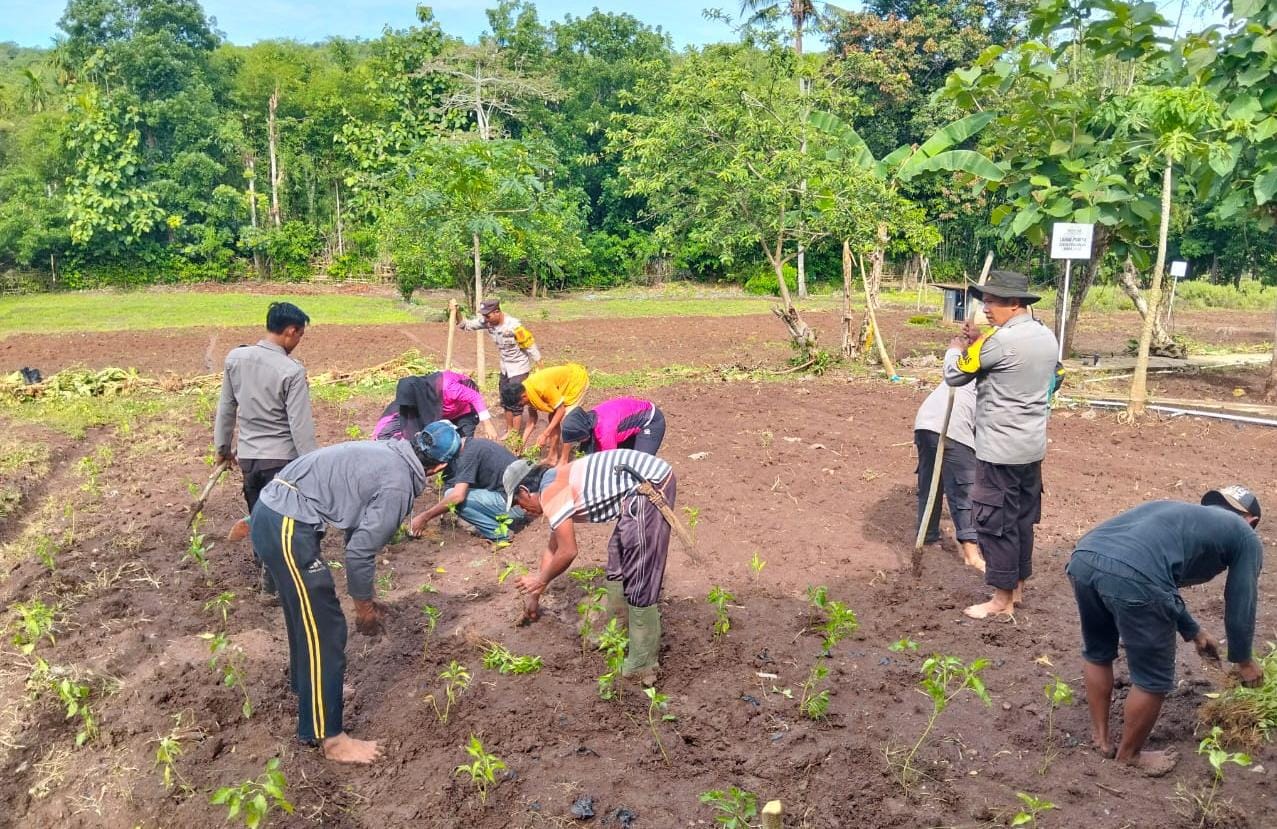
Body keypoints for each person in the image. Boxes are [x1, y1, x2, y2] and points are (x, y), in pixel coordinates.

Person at [250, 436, 429, 764]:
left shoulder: (387, 451)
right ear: (440, 467)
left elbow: (356, 527)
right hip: (286, 523)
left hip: (273, 511)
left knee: (305, 615)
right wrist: (364, 608)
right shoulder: (399, 483)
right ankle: (331, 739)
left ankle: (311, 690)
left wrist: (366, 596)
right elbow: (360, 551)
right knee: (327, 628)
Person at [1066, 487, 1265, 776]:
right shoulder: (1245, 535)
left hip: (1085, 557)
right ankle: (1129, 755)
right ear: (1252, 520)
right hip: (1134, 572)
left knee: (1098, 652)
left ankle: (1101, 738)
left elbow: (1160, 581)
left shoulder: (1182, 514)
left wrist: (1193, 631)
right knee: (1154, 678)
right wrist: (1244, 660)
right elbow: (1241, 600)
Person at [504, 448, 676, 684]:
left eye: (518, 502)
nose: (522, 509)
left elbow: (568, 551)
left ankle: (642, 665)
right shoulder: (553, 482)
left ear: (525, 490)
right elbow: (553, 548)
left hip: (650, 485)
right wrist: (535, 595)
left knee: (639, 572)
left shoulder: (551, 491)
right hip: (636, 488)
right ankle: (618, 631)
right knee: (618, 558)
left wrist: (540, 579)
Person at [943, 271, 1058, 620]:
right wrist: (981, 341)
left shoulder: (1000, 342)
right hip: (1030, 447)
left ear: (1014, 303)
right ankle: (1017, 587)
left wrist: (957, 348)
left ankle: (1001, 600)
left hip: (999, 450)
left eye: (992, 302)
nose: (986, 308)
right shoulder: (1045, 336)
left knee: (996, 522)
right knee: (1022, 520)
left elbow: (955, 374)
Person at [214, 301, 319, 564]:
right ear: (291, 331)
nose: (299, 342)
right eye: (300, 335)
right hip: (281, 462)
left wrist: (222, 450)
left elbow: (226, 408)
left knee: (259, 516)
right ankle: (280, 574)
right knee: (284, 523)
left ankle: (264, 566)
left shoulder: (235, 359)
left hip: (249, 459)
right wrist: (312, 467)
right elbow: (300, 426)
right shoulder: (292, 371)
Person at [406, 420, 528, 543]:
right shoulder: (470, 446)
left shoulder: (468, 455)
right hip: (516, 501)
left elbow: (457, 496)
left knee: (452, 496)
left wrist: (425, 517)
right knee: (452, 492)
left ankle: (501, 535)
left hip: (517, 508)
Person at [913, 380, 982, 571]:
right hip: (954, 423)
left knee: (932, 484)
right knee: (965, 489)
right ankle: (971, 556)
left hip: (926, 422)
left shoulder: (972, 368)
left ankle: (927, 537)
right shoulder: (1003, 379)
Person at [458, 298, 543, 435]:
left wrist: (540, 366)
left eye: (488, 316)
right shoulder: (487, 322)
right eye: (484, 316)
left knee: (516, 401)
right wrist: (456, 311)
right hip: (505, 367)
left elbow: (530, 346)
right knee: (505, 399)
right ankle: (509, 430)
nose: (485, 319)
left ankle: (515, 435)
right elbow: (464, 325)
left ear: (497, 312)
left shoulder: (515, 326)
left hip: (519, 367)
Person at [371, 370, 497, 441]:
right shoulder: (415, 394)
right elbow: (391, 418)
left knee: (462, 443)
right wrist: (377, 436)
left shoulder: (448, 387)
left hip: (465, 410)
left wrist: (488, 424)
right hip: (446, 411)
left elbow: (475, 397)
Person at [520, 363, 590, 465]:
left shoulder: (541, 387)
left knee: (567, 420)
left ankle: (564, 460)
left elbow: (561, 410)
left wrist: (545, 434)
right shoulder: (526, 391)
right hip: (562, 386)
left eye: (521, 404)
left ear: (523, 396)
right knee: (552, 417)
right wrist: (521, 444)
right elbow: (532, 419)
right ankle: (552, 457)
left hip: (575, 382)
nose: (521, 406)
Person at [559, 397, 666, 456]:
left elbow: (610, 462)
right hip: (628, 423)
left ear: (584, 433)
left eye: (578, 440)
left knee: (637, 467)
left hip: (650, 421)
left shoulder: (604, 432)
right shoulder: (589, 419)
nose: (578, 442)